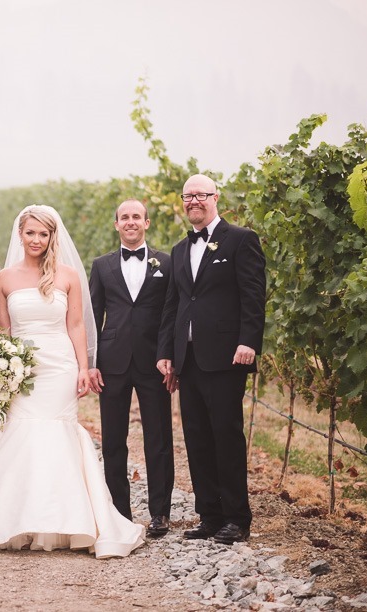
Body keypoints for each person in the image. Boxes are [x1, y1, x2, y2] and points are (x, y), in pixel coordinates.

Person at [0, 205, 145, 558]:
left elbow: (76, 325)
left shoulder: (68, 276)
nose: (36, 240)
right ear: (20, 234)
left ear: (52, 237)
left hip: (59, 367)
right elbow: (4, 329)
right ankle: (15, 520)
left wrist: (83, 367)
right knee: (22, 431)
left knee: (59, 433)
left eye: (43, 234)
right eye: (30, 233)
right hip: (21, 370)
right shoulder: (5, 278)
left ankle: (68, 521)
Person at [156, 174, 266, 545]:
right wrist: (166, 354)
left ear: (216, 197)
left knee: (226, 436)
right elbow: (173, 305)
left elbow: (253, 295)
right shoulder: (179, 249)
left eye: (201, 195)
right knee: (198, 439)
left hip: (226, 358)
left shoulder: (241, 239)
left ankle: (237, 518)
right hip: (188, 360)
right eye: (188, 196)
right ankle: (210, 516)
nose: (194, 202)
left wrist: (248, 341)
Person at [88, 199, 175, 538]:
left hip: (154, 361)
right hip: (112, 363)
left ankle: (160, 514)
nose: (130, 222)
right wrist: (92, 362)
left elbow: (171, 313)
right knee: (113, 441)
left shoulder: (166, 263)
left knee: (158, 439)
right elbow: (94, 316)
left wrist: (169, 356)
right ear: (116, 225)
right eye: (124, 217)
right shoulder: (101, 266)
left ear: (147, 223)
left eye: (136, 217)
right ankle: (119, 512)